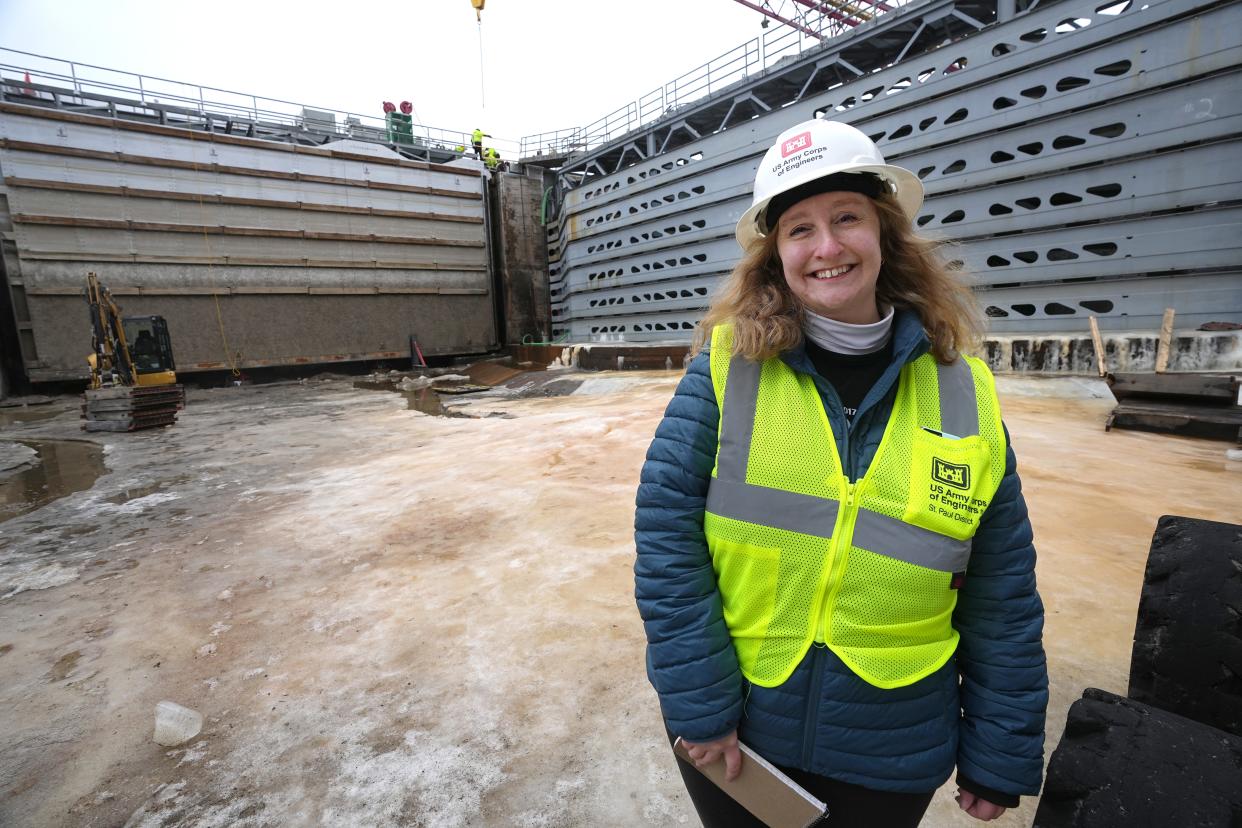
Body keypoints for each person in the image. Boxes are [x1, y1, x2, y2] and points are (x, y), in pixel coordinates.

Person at [634, 117, 1048, 827]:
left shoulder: (963, 392)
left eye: (846, 218)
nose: (826, 247)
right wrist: (699, 702)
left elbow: (1001, 591)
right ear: (776, 255)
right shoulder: (729, 369)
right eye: (799, 228)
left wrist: (999, 746)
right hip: (743, 729)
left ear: (885, 234)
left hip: (894, 745)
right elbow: (666, 539)